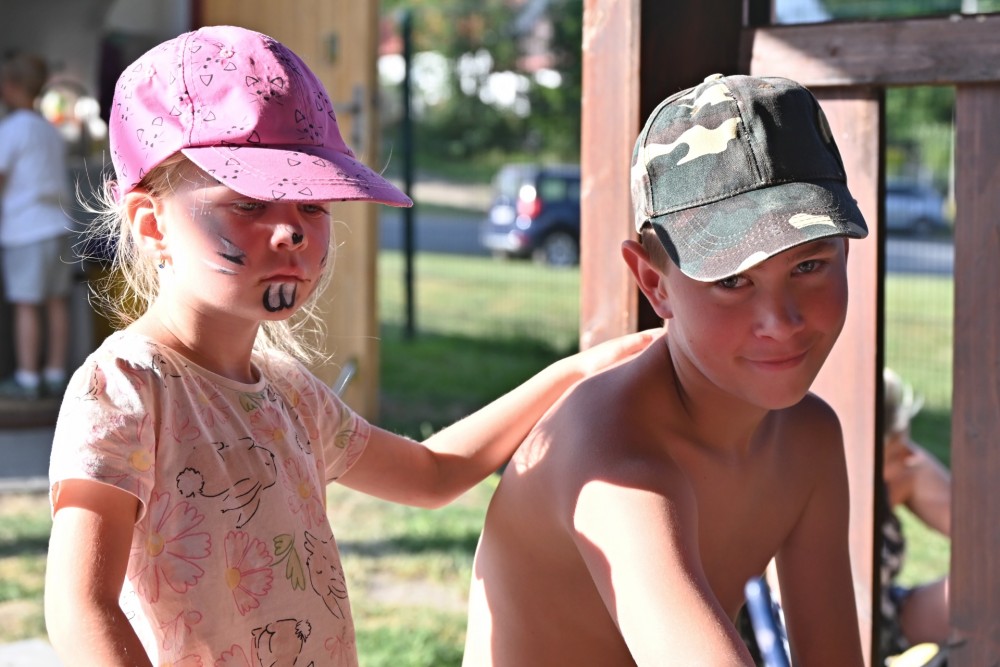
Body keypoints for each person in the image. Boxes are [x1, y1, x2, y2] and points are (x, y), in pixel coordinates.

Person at [42, 26, 651, 666]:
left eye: (312, 206)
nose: (290, 232)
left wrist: (575, 371)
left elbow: (431, 474)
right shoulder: (127, 387)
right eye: (249, 203)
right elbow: (80, 608)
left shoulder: (290, 393)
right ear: (152, 224)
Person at [463, 73, 870, 666]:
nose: (781, 321)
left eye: (809, 266)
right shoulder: (613, 457)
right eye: (732, 280)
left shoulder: (808, 439)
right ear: (654, 283)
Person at [0, 52, 74, 400]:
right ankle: (56, 373)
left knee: (26, 303)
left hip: (26, 228)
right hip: (57, 224)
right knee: (56, 301)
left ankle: (28, 377)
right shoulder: (49, 130)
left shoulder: (12, 129)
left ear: (10, 86)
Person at [879, 367, 951, 661]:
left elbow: (987, 538)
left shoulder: (905, 471)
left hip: (887, 615)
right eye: (897, 451)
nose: (912, 455)